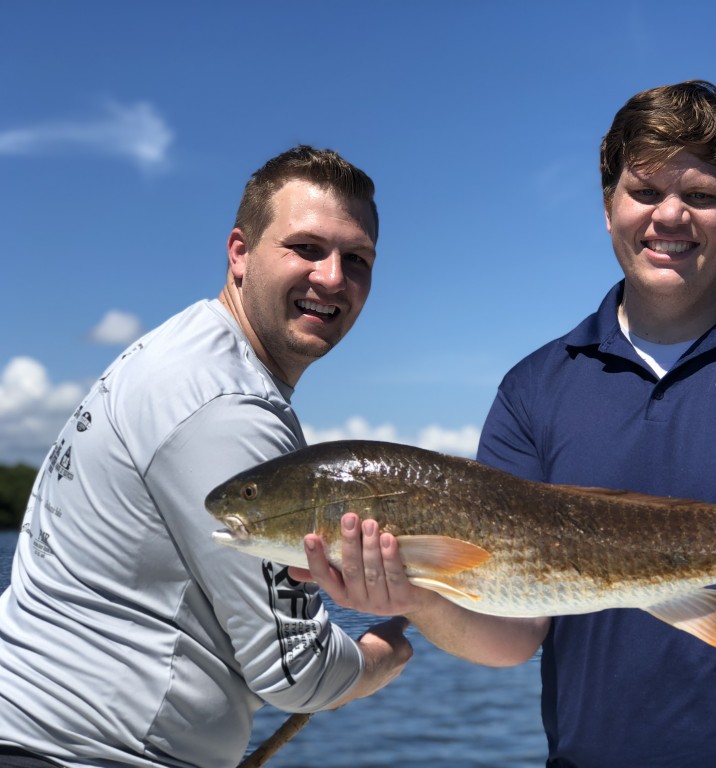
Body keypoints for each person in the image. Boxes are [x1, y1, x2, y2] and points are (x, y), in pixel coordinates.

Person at [296, 81, 716, 766]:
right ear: (608, 207)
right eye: (646, 192)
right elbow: (513, 636)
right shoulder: (535, 390)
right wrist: (417, 595)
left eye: (703, 196)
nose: (671, 216)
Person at [0, 146, 412, 767]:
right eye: (305, 248)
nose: (332, 277)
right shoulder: (226, 408)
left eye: (356, 258)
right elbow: (298, 672)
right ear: (240, 253)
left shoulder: (183, 351)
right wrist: (392, 644)